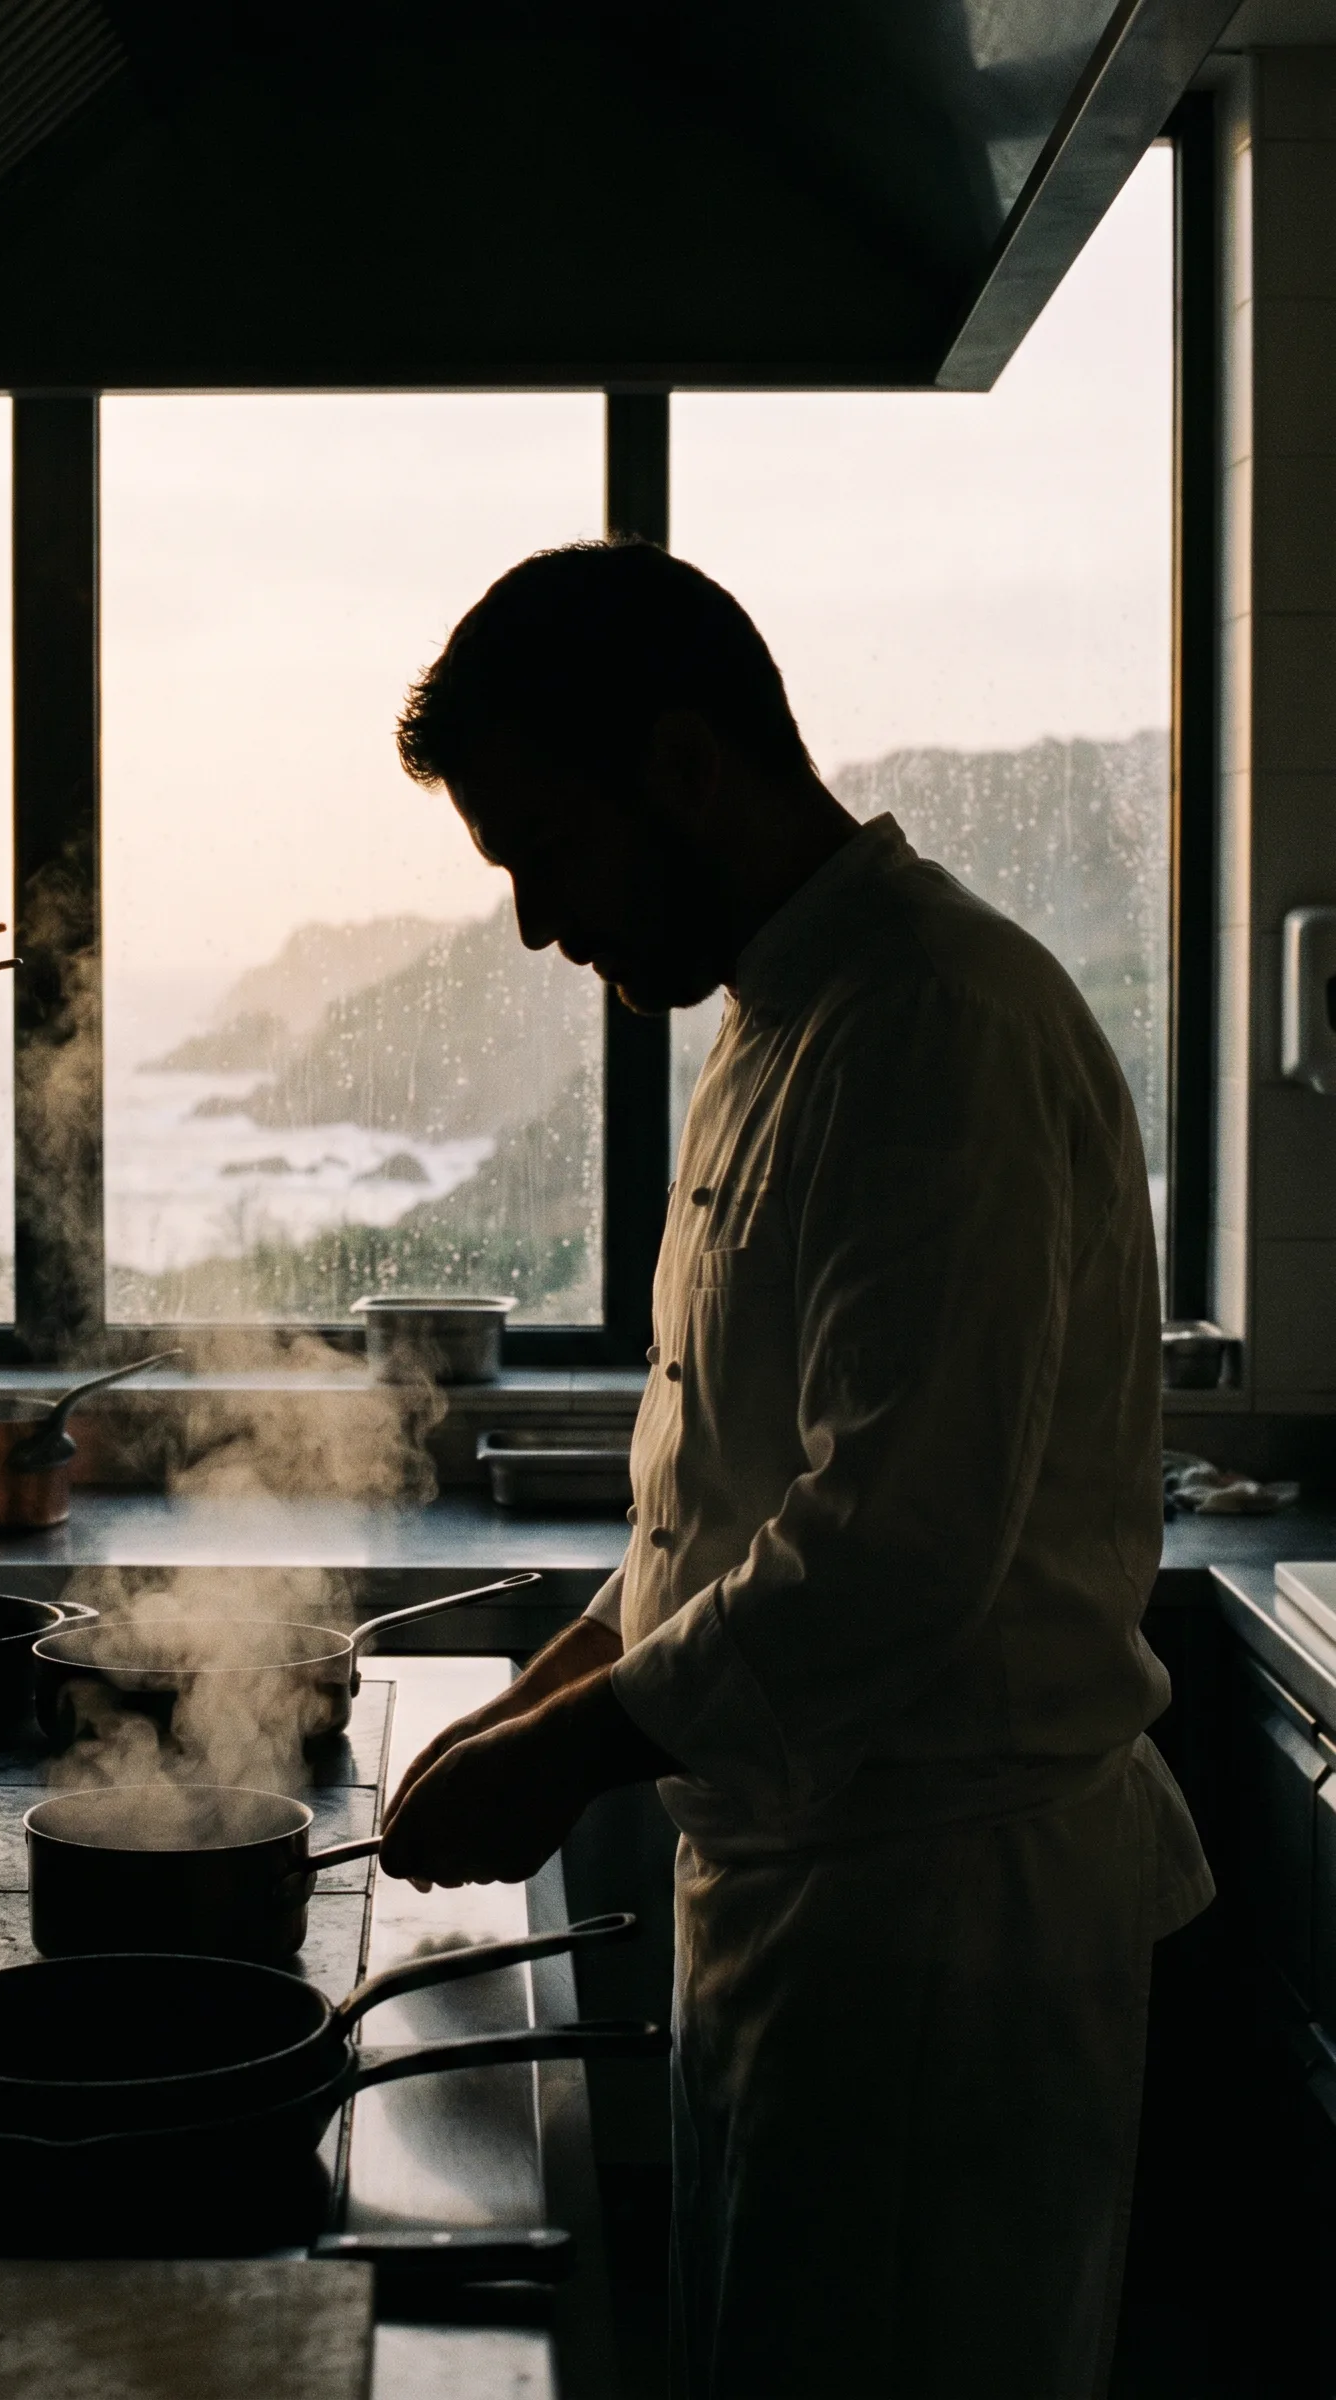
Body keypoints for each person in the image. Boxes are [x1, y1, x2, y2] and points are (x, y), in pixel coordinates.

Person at [380, 540, 1212, 2400]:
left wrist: (571, 1750)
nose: (527, 924)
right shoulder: (779, 1021)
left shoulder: (939, 1028)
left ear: (685, 767)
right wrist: (535, 1696)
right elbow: (734, 1509)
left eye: (540, 852)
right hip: (806, 1913)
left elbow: (890, 1550)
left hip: (937, 1943)